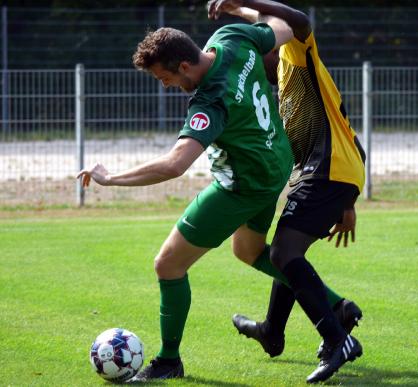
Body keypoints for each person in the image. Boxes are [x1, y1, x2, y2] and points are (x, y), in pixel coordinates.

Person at [77, 18, 298, 381]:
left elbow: (175, 164)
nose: (166, 87)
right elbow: (285, 26)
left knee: (168, 265)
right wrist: (240, 7)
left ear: (183, 66)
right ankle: (334, 306)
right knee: (249, 251)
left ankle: (168, 360)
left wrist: (110, 178)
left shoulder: (210, 100)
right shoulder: (231, 38)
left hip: (241, 184)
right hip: (274, 165)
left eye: (165, 79)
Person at [208, 0, 366, 383]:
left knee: (283, 252)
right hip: (330, 173)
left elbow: (294, 19)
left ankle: (337, 338)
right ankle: (272, 332)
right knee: (286, 253)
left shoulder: (296, 52)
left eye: (258, 47)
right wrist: (349, 201)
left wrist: (244, 3)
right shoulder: (276, 81)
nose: (252, 57)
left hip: (328, 170)